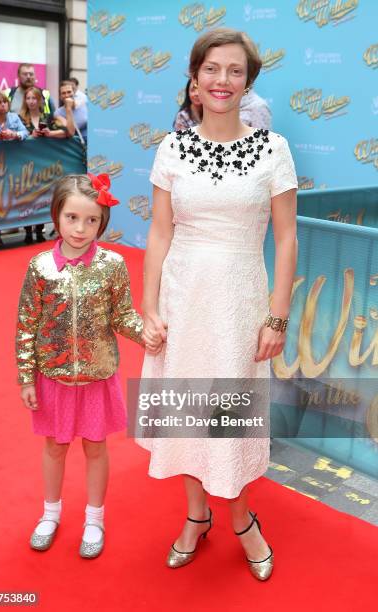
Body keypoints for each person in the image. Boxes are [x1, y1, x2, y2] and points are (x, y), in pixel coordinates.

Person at [138, 28, 297, 580]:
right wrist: (149, 307)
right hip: (184, 298)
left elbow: (286, 239)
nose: (221, 80)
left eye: (234, 71)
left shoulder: (273, 149)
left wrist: (277, 316)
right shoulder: (172, 147)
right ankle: (195, 516)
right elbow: (159, 233)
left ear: (248, 82)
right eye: (211, 69)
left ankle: (243, 520)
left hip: (238, 302)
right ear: (194, 80)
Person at [16, 173, 161, 558]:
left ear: (102, 222)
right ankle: (50, 513)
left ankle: (94, 518)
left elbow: (121, 316)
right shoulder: (40, 267)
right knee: (55, 446)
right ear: (56, 217)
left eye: (91, 220)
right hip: (53, 378)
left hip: (98, 376)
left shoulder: (112, 265)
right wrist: (26, 377)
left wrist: (145, 331)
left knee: (96, 447)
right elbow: (26, 325)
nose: (81, 228)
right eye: (72, 218)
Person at [19, 86, 70, 244]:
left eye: (34, 98)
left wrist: (50, 133)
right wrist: (29, 135)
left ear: (40, 100)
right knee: (27, 197)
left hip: (44, 163)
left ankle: (39, 230)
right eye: (28, 98)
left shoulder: (48, 117)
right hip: (25, 163)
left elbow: (67, 131)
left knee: (41, 195)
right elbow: (15, 134)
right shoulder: (19, 118)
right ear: (25, 100)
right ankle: (28, 232)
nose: (31, 101)